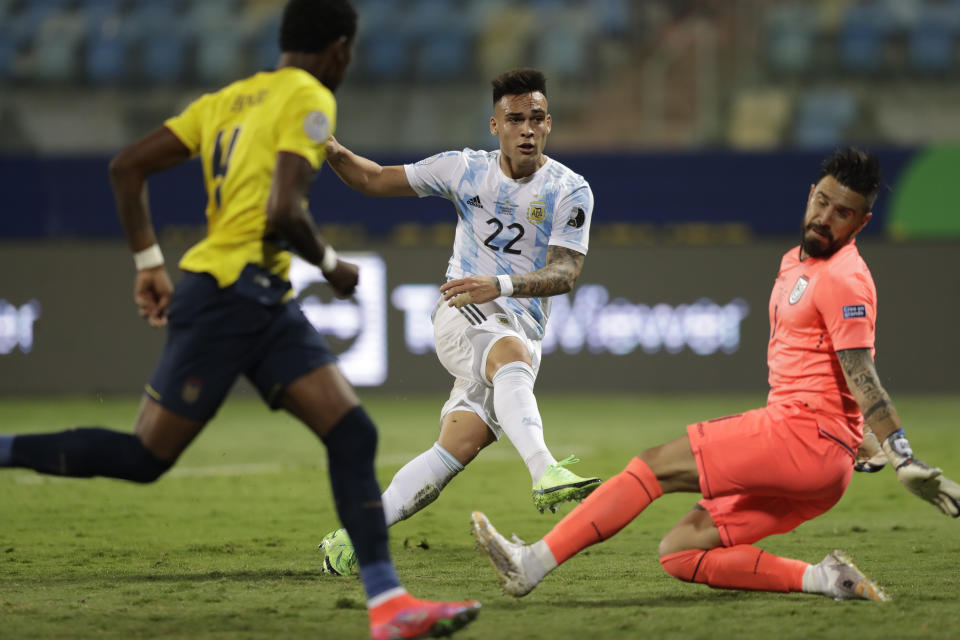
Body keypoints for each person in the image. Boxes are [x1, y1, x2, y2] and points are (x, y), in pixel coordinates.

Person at [0, 1, 480, 638]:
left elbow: (127, 167)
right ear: (339, 50)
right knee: (147, 456)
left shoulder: (226, 100)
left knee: (352, 434)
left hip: (255, 299)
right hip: (231, 297)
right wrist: (333, 266)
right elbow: (284, 208)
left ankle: (389, 605)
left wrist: (148, 261)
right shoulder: (309, 97)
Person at [471, 147, 960, 602]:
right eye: (824, 202)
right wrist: (854, 436)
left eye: (843, 213)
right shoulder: (797, 262)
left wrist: (900, 452)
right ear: (811, 193)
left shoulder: (845, 277)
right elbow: (827, 367)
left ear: (862, 222)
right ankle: (828, 578)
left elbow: (861, 373)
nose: (826, 218)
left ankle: (530, 565)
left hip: (801, 438)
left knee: (652, 465)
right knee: (682, 550)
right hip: (821, 458)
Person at [316, 68, 602, 576]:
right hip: (462, 306)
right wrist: (332, 150)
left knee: (457, 447)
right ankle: (545, 471)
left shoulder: (570, 189)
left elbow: (566, 271)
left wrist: (506, 285)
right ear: (495, 126)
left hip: (518, 324)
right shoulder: (463, 170)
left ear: (550, 123)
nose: (527, 129)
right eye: (515, 119)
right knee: (506, 350)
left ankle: (353, 539)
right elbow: (372, 178)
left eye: (536, 118)